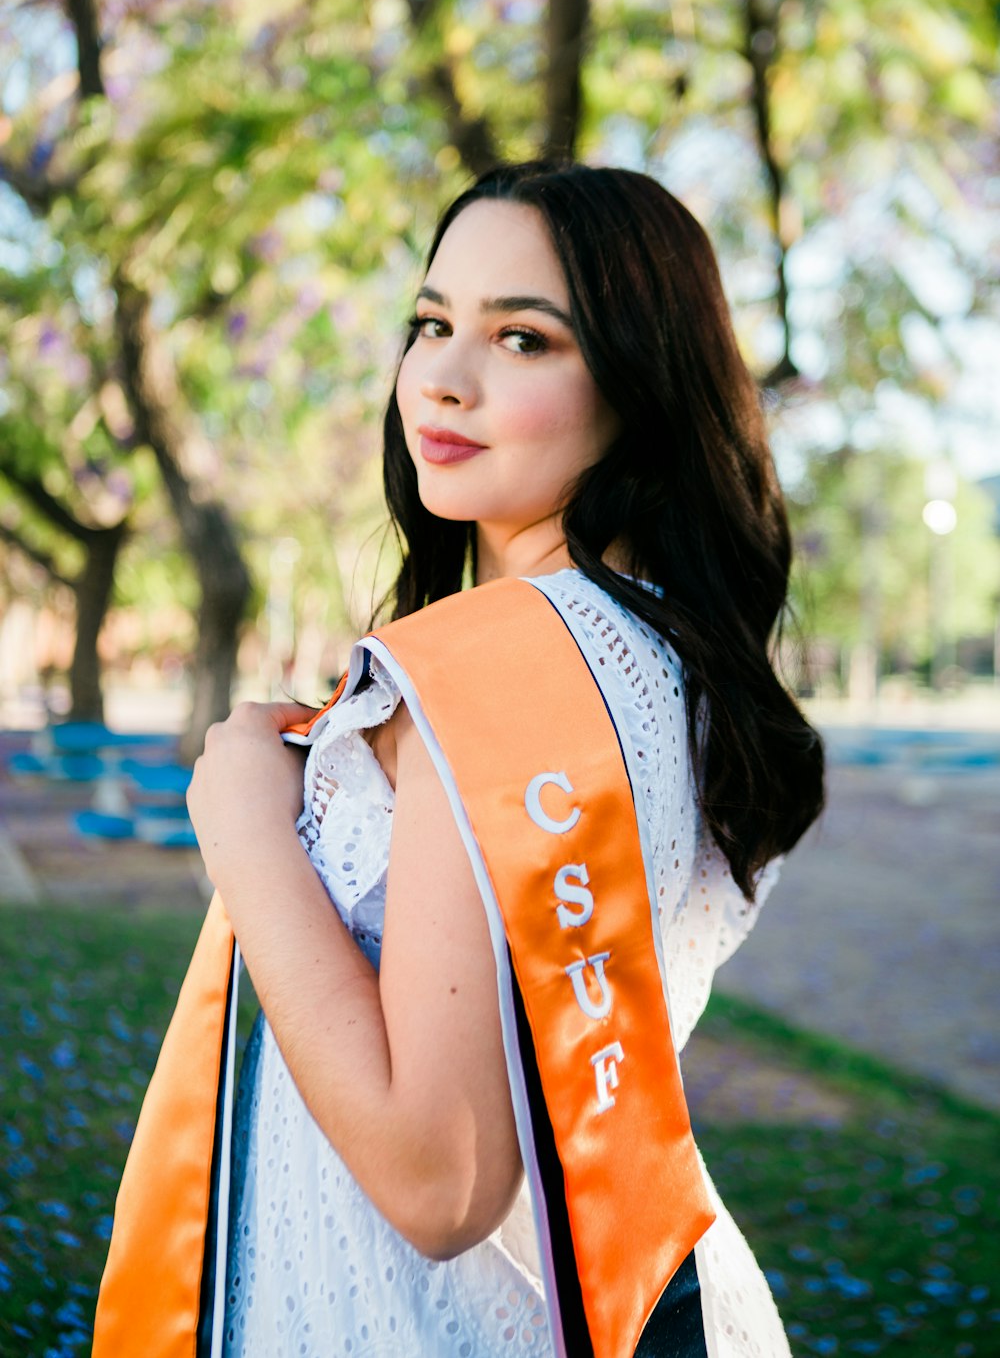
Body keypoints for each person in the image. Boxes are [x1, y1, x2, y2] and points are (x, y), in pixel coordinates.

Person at [183, 160, 825, 1357]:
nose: (443, 377)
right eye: (432, 323)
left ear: (639, 387)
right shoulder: (652, 654)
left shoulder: (511, 666)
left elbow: (442, 1181)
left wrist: (242, 823)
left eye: (524, 340)